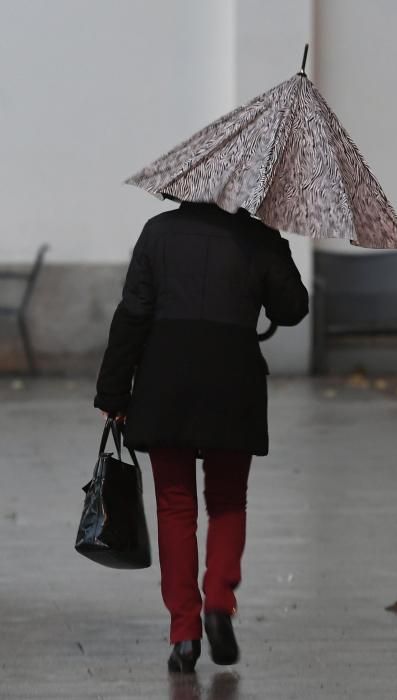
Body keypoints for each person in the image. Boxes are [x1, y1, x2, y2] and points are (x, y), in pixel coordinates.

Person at [94, 199, 309, 673]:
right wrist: (274, 247)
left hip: (165, 380)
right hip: (233, 384)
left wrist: (113, 390)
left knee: (175, 505)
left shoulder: (157, 232)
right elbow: (292, 308)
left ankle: (185, 636)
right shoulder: (258, 237)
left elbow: (133, 312)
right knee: (229, 501)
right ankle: (218, 601)